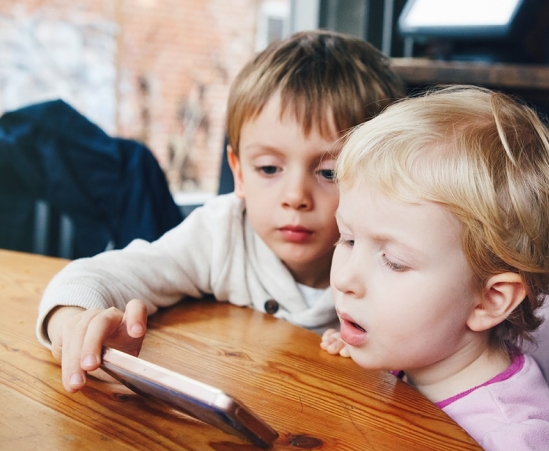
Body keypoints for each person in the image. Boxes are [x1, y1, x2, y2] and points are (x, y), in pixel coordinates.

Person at [36, 30, 406, 394]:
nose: (296, 197)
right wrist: (71, 322)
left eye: (329, 173)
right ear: (239, 173)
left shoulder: (397, 261)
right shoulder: (223, 233)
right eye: (268, 169)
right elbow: (97, 274)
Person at [320, 86, 549, 451]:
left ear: (489, 300)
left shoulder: (514, 441)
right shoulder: (424, 353)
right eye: (347, 239)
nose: (347, 278)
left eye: (393, 262)